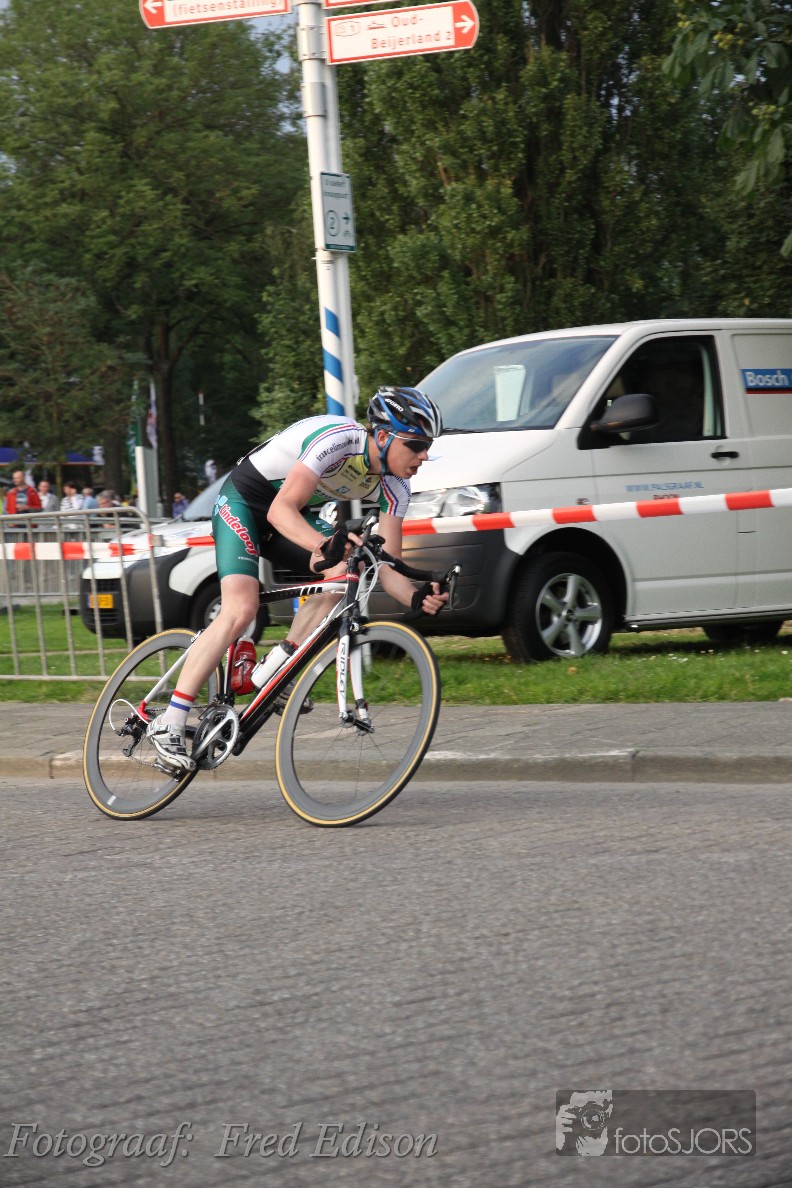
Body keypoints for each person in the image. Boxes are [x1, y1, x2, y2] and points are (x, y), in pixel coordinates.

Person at [146, 386, 449, 772]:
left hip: (290, 515)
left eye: (428, 446)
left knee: (348, 571)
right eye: (417, 445)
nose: (424, 456)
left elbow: (387, 565)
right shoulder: (338, 440)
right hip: (246, 502)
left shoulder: (397, 486)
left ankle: (279, 665)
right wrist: (325, 543)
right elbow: (280, 510)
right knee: (241, 608)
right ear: (384, 436)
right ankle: (170, 721)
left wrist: (417, 597)